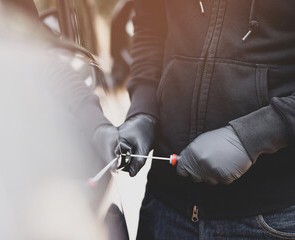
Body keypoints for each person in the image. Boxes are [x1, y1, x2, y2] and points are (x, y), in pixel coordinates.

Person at [118, 0, 295, 239]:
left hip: (270, 218)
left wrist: (253, 137)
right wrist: (143, 109)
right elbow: (150, 28)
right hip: (163, 208)